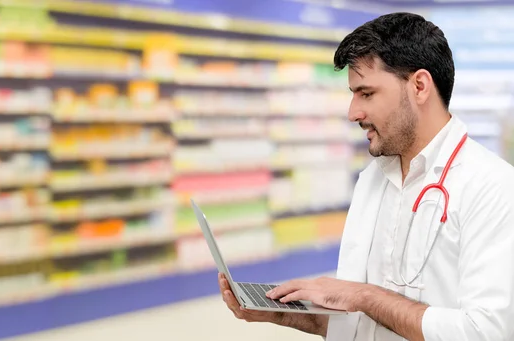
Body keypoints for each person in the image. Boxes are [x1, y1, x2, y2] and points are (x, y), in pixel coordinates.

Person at [218, 12, 514, 341]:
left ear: (419, 86)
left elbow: (486, 332)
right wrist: (286, 314)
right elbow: (360, 324)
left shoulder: (492, 186)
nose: (352, 112)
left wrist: (364, 296)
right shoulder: (373, 179)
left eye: (366, 93)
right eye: (353, 93)